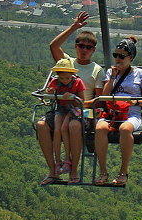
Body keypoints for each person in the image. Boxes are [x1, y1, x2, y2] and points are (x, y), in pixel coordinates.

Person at [37, 11, 106, 182]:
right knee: (41, 125)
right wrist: (74, 27)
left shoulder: (97, 70)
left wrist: (78, 102)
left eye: (88, 48)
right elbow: (54, 46)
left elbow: (99, 101)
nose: (84, 50)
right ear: (75, 46)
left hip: (83, 111)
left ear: (93, 50)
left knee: (74, 126)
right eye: (81, 46)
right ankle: (53, 169)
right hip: (62, 108)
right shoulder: (67, 64)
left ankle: (73, 171)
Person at [93, 36, 142, 187]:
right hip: (112, 113)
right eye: (115, 55)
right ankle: (103, 171)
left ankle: (123, 172)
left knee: (125, 129)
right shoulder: (111, 73)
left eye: (121, 56)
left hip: (131, 113)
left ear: (130, 58)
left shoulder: (139, 74)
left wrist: (135, 101)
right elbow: (104, 97)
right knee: (100, 128)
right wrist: (113, 77)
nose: (117, 59)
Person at [37, 58, 86, 185]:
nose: (65, 81)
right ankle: (57, 162)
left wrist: (72, 96)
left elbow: (82, 100)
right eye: (62, 78)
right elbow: (49, 91)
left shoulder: (77, 82)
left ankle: (67, 161)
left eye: (67, 78)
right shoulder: (55, 82)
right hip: (60, 109)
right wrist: (51, 92)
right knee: (58, 129)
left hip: (72, 110)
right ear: (58, 76)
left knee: (65, 128)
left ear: (72, 75)